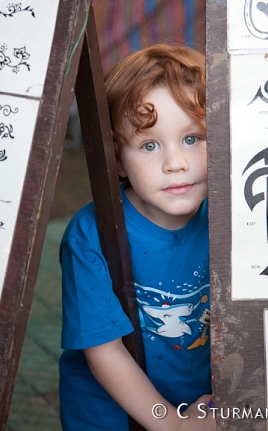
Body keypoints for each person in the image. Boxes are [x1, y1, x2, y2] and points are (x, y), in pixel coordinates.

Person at [59, 44, 214, 430]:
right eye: (149, 145)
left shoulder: (236, 217)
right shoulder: (90, 234)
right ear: (117, 158)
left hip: (201, 397)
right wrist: (173, 425)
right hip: (108, 410)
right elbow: (105, 352)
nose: (175, 163)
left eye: (193, 138)